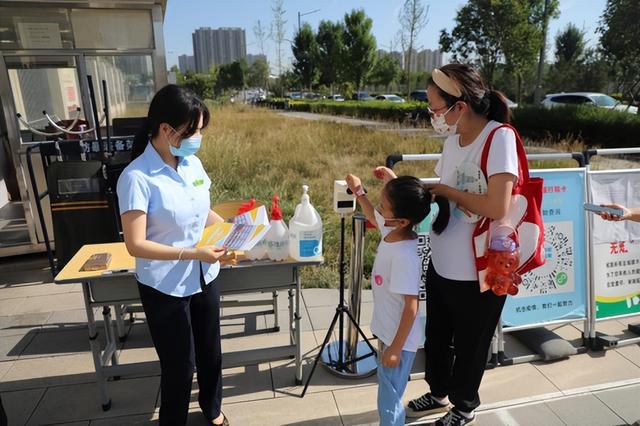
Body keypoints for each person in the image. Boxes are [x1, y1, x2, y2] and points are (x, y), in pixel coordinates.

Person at [375, 64, 520, 426]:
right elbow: (444, 201)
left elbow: (497, 206)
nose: (433, 115)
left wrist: (447, 191)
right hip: (442, 260)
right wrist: (402, 188)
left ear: (460, 105)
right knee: (437, 336)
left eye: (435, 107)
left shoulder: (498, 137)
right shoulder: (453, 142)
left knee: (471, 342)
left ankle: (464, 406)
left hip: (480, 269)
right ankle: (439, 391)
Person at [117, 85, 229, 426]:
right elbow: (135, 244)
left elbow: (202, 211)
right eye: (193, 131)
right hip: (165, 286)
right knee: (180, 365)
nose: (198, 138)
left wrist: (232, 230)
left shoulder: (192, 164)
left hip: (203, 275)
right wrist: (193, 252)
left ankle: (212, 409)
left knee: (210, 353)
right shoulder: (137, 177)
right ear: (166, 129)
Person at [345, 174, 449, 426]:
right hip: (389, 332)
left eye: (383, 206)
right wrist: (359, 192)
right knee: (388, 390)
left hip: (399, 341)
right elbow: (373, 216)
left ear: (402, 220)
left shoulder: (404, 256)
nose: (379, 210)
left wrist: (394, 349)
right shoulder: (393, 230)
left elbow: (411, 307)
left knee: (389, 399)